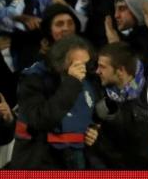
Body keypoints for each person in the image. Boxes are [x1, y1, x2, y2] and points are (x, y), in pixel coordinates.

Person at [12, 35, 99, 170]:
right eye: (76, 64)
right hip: (39, 161)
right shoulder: (33, 78)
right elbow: (41, 119)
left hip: (76, 160)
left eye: (85, 64)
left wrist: (90, 130)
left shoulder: (86, 80)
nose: (81, 69)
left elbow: (87, 113)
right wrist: (72, 82)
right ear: (60, 60)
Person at [87, 41, 148, 170]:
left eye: (102, 67)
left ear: (120, 71)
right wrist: (97, 138)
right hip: (118, 176)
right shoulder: (99, 95)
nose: (97, 71)